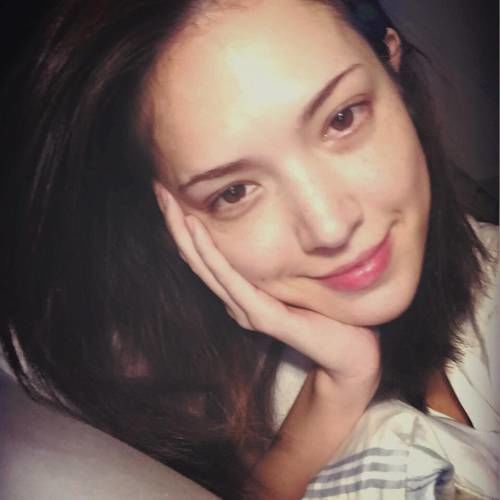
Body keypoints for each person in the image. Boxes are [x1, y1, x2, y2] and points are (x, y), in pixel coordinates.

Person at [0, 0, 497, 498]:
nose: (329, 227)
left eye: (342, 119)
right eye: (234, 192)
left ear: (393, 69)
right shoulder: (154, 384)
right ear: (168, 216)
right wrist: (337, 387)